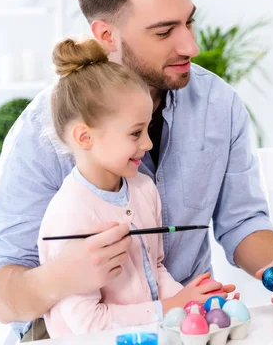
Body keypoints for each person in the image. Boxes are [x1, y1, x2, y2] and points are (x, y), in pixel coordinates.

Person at [0, 0, 273, 341]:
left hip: (184, 322)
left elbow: (243, 221)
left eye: (188, 23)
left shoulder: (217, 104)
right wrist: (60, 277)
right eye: (164, 31)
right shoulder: (44, 130)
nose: (190, 45)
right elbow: (3, 298)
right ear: (107, 35)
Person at [37, 37, 234, 337]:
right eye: (135, 133)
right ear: (85, 138)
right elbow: (88, 323)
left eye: (147, 128)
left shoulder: (142, 189)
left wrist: (194, 303)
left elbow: (155, 270)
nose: (148, 143)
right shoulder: (69, 215)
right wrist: (171, 307)